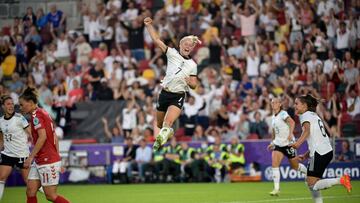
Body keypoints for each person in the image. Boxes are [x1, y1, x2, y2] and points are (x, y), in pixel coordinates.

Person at [144, 17, 200, 151]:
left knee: (167, 122)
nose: (187, 46)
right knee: (159, 123)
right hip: (164, 93)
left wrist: (189, 83)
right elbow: (157, 40)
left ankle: (161, 139)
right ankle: (166, 131)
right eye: (185, 43)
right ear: (180, 45)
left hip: (178, 95)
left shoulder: (192, 65)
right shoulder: (172, 53)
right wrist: (149, 26)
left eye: (190, 45)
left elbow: (194, 85)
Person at [291, 94, 352, 203]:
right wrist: (306, 155)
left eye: (297, 104)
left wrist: (297, 144)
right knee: (311, 182)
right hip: (326, 151)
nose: (294, 106)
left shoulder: (304, 116)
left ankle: (342, 180)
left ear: (304, 106)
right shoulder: (314, 115)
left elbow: (307, 131)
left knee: (312, 185)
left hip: (319, 153)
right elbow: (317, 138)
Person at [19, 87, 70, 203]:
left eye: (22, 105)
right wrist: (57, 156)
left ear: (30, 103)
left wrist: (30, 157)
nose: (20, 107)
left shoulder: (37, 116)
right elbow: (54, 136)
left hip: (47, 160)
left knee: (50, 196)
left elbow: (43, 137)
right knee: (30, 190)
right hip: (41, 159)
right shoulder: (43, 112)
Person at [267, 97, 307, 196]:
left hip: (288, 144)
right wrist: (272, 142)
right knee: (274, 164)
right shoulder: (273, 117)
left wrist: (290, 134)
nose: (273, 104)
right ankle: (276, 189)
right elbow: (274, 131)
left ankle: (307, 173)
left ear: (280, 104)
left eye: (275, 102)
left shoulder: (283, 113)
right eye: (272, 103)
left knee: (295, 167)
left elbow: (292, 122)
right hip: (278, 144)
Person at [0, 95, 31, 201]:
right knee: (1, 178)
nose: (11, 106)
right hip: (7, 154)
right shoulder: (1, 121)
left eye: (12, 104)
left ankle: (48, 193)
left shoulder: (19, 118)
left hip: (22, 154)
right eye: (8, 104)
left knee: (29, 182)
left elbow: (31, 134)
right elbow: (1, 139)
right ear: (3, 106)